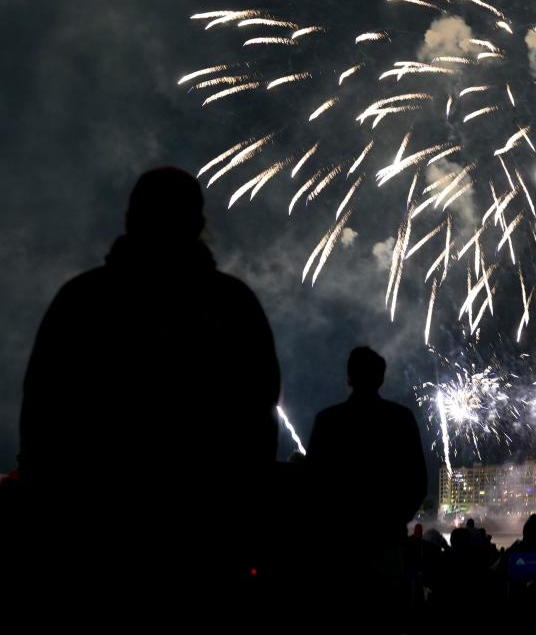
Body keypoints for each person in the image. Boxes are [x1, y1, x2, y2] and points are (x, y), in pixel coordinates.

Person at [17, 167, 281, 601]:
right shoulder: (233, 305)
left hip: (90, 537)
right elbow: (257, 426)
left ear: (129, 219)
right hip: (203, 540)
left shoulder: (82, 300)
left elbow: (41, 419)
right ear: (197, 225)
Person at [305, 346, 427, 627]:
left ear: (349, 377)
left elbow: (312, 483)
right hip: (386, 544)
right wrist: (395, 521)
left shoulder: (328, 421)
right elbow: (418, 481)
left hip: (338, 547)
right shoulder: (401, 419)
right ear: (381, 379)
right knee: (384, 622)